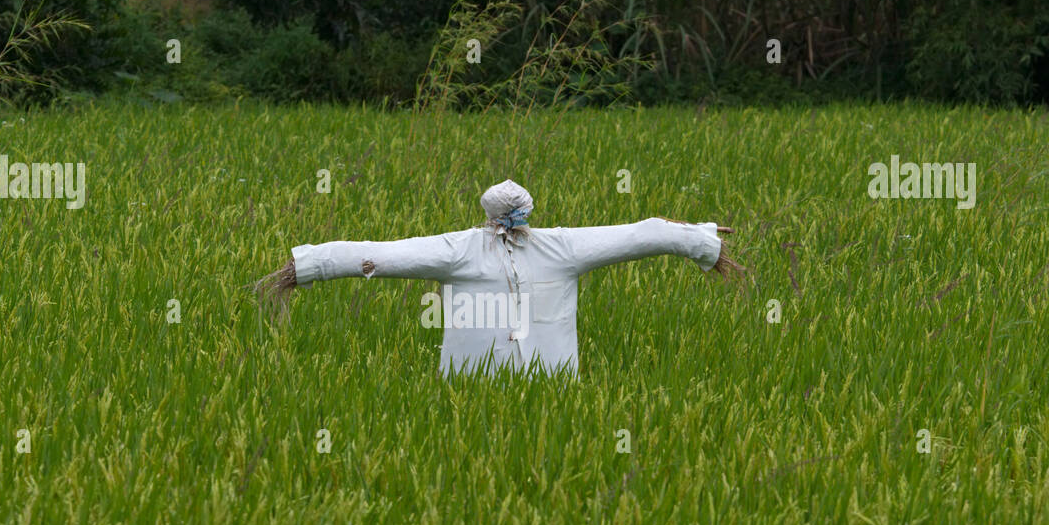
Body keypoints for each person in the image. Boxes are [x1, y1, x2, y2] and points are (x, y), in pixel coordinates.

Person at [255, 179, 743, 375]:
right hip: (487, 390)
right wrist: (703, 243)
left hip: (534, 386)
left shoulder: (465, 249)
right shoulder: (555, 245)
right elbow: (644, 234)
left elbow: (373, 255)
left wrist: (303, 268)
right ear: (527, 211)